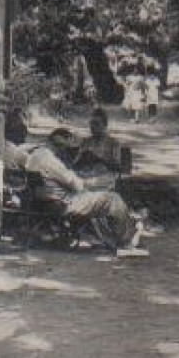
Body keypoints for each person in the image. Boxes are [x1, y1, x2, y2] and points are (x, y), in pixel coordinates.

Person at [24, 125, 144, 253]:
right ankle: (126, 240)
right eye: (66, 148)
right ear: (60, 145)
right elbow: (76, 184)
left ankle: (106, 236)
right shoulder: (51, 161)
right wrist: (91, 181)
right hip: (63, 203)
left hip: (41, 202)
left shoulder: (35, 155)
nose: (66, 152)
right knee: (113, 198)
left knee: (96, 195)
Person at [71, 106, 127, 175]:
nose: (93, 127)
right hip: (86, 176)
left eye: (96, 124)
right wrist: (82, 158)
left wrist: (98, 160)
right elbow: (75, 166)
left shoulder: (113, 143)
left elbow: (117, 167)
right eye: (91, 124)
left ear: (105, 125)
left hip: (105, 179)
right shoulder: (86, 141)